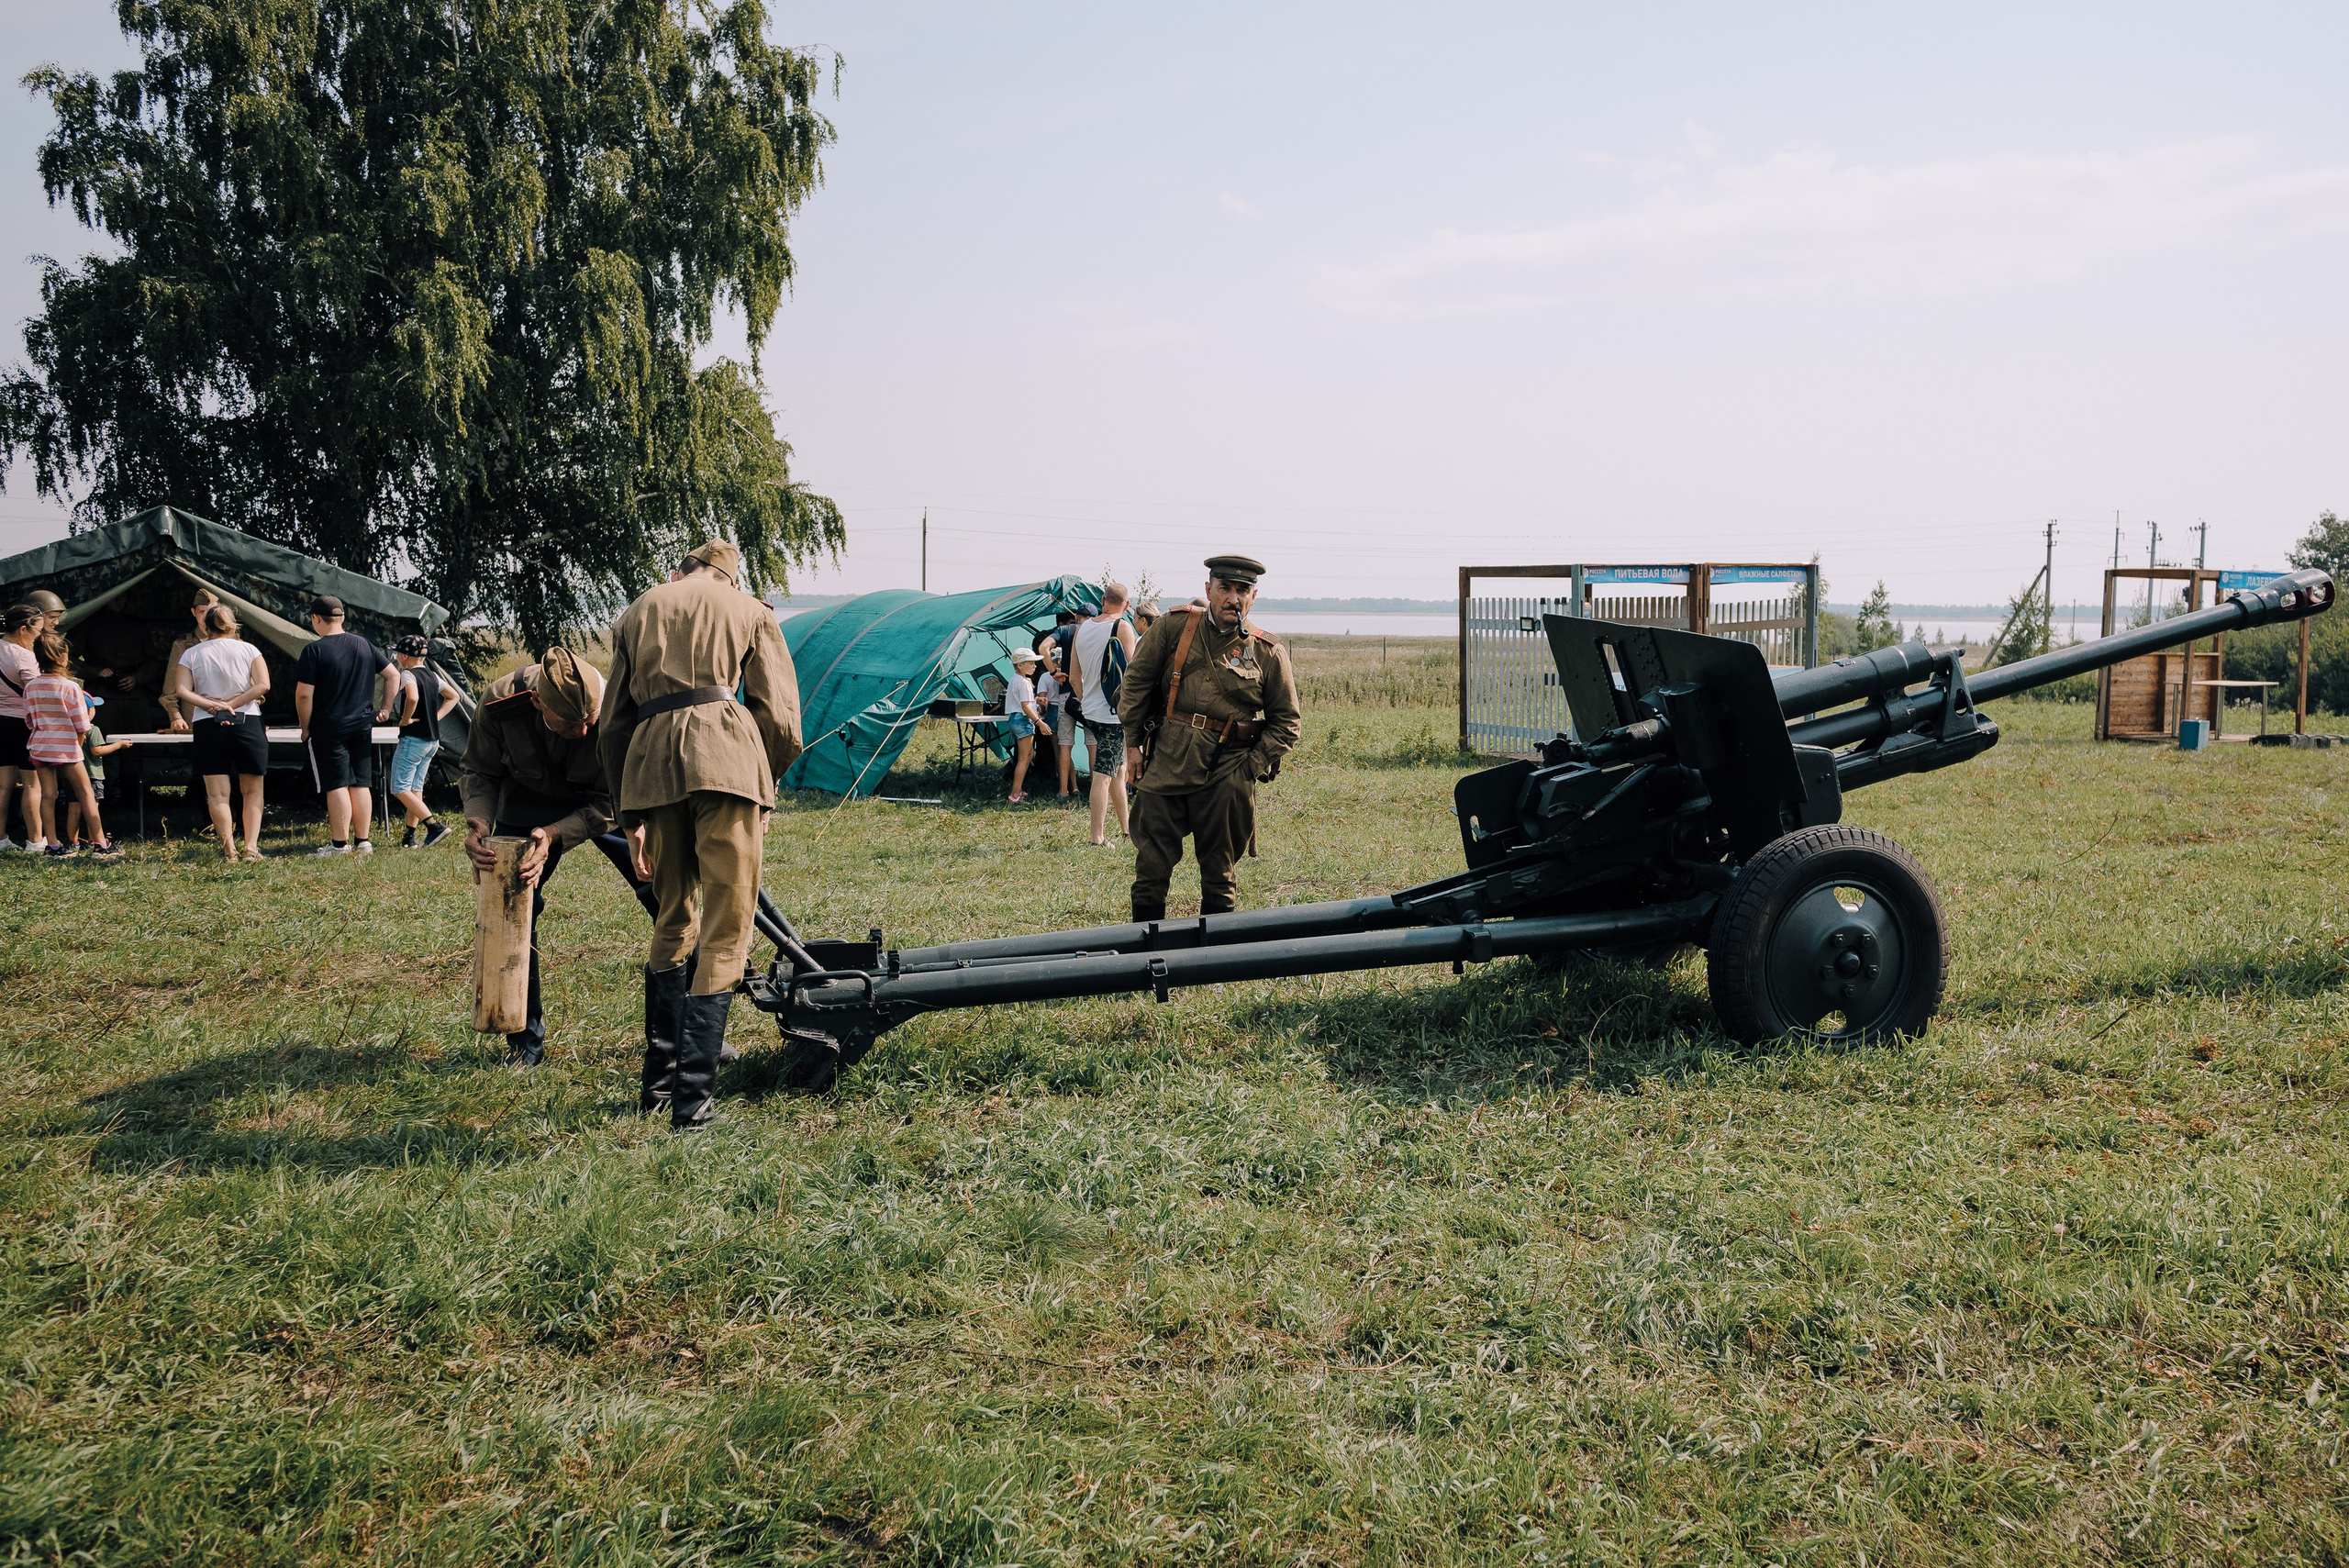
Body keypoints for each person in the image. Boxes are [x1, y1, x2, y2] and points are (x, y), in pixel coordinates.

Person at [600, 539, 800, 1129]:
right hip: (727, 764)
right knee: (728, 926)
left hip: (651, 766)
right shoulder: (751, 611)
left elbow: (612, 724)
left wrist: (627, 816)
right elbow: (780, 717)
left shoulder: (637, 609)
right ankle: (694, 1105)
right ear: (728, 579)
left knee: (673, 919)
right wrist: (764, 782)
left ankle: (659, 1087)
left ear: (679, 571)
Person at [460, 648, 642, 1066]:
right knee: (512, 905)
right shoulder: (499, 702)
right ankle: (524, 1042)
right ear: (537, 702)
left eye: (588, 722)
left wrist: (558, 833)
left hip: (607, 804)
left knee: (664, 893)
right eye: (567, 724)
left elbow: (618, 797)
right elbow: (480, 771)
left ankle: (694, 1032)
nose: (581, 733)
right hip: (527, 801)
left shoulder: (618, 705)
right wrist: (478, 823)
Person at [1118, 555, 1300, 921]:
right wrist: (1133, 743)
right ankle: (1145, 956)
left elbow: (1287, 722)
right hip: (1166, 762)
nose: (1234, 598)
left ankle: (1212, 963)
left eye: (1242, 590)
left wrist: (1249, 768)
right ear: (1209, 590)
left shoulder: (1267, 651)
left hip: (1226, 773)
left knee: (1219, 875)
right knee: (1150, 870)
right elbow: (1135, 682)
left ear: (1254, 596)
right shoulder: (1174, 627)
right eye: (1225, 588)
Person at [292, 595, 397, 855]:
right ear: (342, 618)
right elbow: (393, 675)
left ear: (316, 619)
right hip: (362, 725)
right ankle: (363, 842)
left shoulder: (314, 650)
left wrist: (305, 727)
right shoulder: (363, 644)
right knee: (361, 783)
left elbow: (304, 694)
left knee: (336, 784)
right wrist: (384, 709)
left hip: (329, 726)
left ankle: (339, 845)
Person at [176, 603, 273, 862]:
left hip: (208, 723)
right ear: (232, 626)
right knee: (252, 789)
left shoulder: (191, 654)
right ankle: (251, 848)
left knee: (217, 793)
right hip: (247, 720)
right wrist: (234, 704)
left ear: (205, 625)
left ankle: (230, 851)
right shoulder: (249, 649)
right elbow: (263, 684)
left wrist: (213, 705)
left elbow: (183, 691)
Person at [25, 633, 119, 860]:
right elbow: (81, 724)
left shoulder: (31, 686)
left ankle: (53, 846)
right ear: (62, 658)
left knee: (49, 795)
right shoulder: (70, 687)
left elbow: (29, 720)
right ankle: (100, 844)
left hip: (39, 747)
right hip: (67, 749)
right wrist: (77, 746)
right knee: (86, 793)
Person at [1069, 582, 1137, 847]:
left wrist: (1087, 699)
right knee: (1102, 775)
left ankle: (1128, 828)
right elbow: (1134, 674)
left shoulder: (1082, 628)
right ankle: (1096, 837)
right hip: (1112, 714)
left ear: (1102, 600)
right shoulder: (1122, 627)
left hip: (1090, 711)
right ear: (1126, 606)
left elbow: (1075, 676)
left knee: (1118, 770)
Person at [389, 635, 460, 847]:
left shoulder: (407, 675)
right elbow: (454, 696)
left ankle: (433, 825)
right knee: (415, 787)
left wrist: (405, 719)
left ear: (403, 656)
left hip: (413, 739)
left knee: (399, 788)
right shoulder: (433, 676)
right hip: (431, 741)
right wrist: (435, 717)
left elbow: (412, 697)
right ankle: (409, 837)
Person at [0, 604, 48, 853]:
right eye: (38, 630)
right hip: (23, 723)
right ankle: (36, 841)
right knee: (32, 784)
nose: (40, 636)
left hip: (0, 722)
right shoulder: (24, 655)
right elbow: (36, 691)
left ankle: (1, 839)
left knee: (2, 784)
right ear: (23, 629)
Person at [159, 588, 223, 733]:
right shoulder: (184, 646)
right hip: (195, 720)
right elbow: (170, 691)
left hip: (230, 719)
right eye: (202, 612)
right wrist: (176, 717)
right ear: (194, 613)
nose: (207, 617)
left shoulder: (236, 644)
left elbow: (253, 687)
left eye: (211, 612)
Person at [66, 718, 131, 852]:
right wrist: (118, 745)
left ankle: (73, 843)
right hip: (91, 775)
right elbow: (97, 751)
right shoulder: (93, 729)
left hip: (71, 774)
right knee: (92, 809)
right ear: (88, 711)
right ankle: (94, 841)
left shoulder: (67, 729)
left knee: (73, 809)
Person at [1003, 647, 1042, 802]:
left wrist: (1036, 700)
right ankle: (1014, 794)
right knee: (1024, 759)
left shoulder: (1015, 679)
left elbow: (1023, 702)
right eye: (1031, 663)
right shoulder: (1025, 682)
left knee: (1028, 755)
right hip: (1023, 721)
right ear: (1020, 665)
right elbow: (1025, 706)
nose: (1034, 666)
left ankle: (1018, 789)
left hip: (1014, 719)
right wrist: (1039, 723)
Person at [1034, 659, 1070, 797]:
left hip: (1053, 710)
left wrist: (1042, 711)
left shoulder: (1045, 676)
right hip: (1067, 708)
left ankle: (1061, 784)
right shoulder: (1067, 673)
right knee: (1066, 747)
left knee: (1057, 751)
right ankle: (1073, 786)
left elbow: (1043, 698)